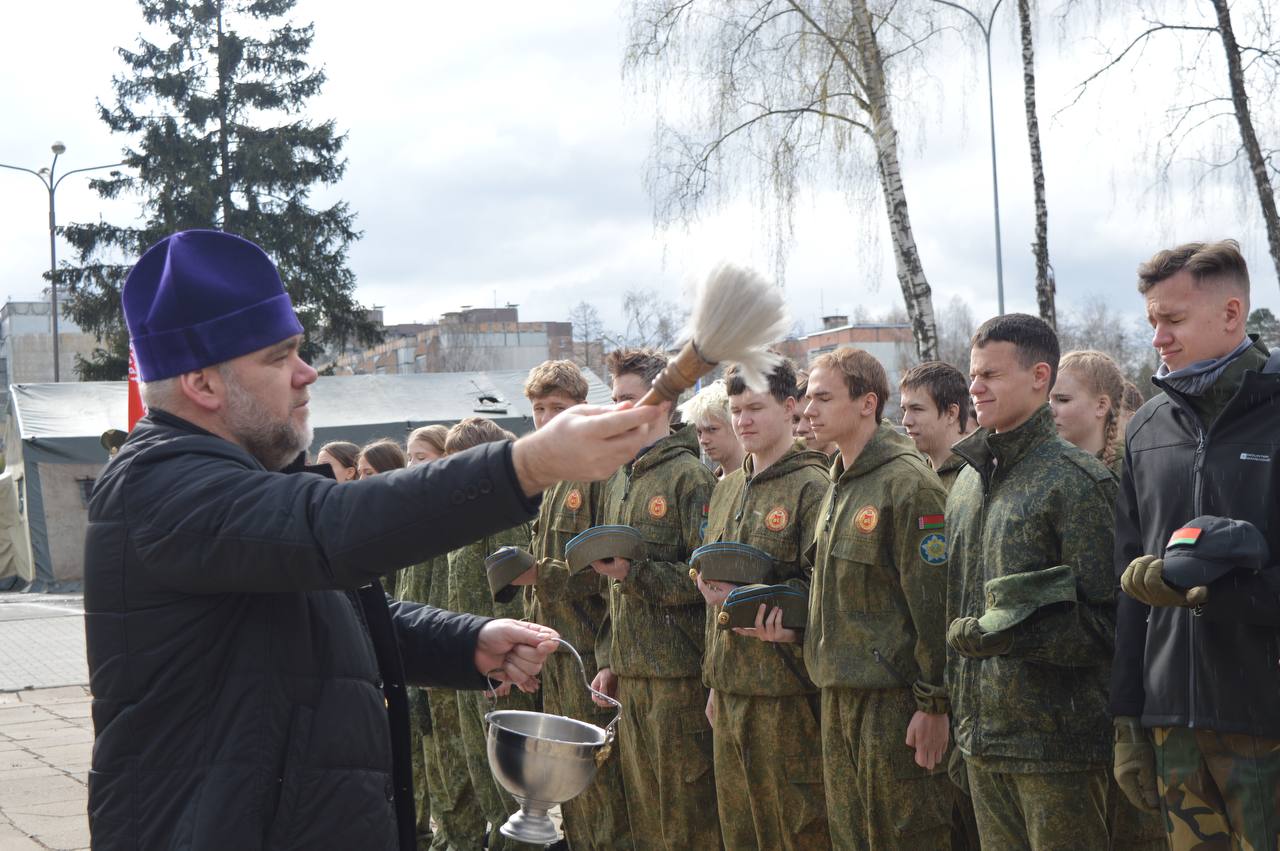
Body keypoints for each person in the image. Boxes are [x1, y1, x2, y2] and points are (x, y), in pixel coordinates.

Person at [84, 229, 666, 850]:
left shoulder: (225, 480)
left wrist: (463, 642)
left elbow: (322, 613)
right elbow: (333, 527)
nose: (307, 374)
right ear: (203, 384)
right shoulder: (159, 484)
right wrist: (525, 465)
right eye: (279, 358)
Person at [1111, 240, 1280, 851]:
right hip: (1172, 729)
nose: (1158, 338)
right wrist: (1129, 718)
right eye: (1153, 320)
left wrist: (1222, 588)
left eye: (1173, 320)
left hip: (1266, 722)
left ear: (1232, 314)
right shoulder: (1147, 427)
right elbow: (1128, 584)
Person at [767, 347, 952, 848]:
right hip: (839, 694)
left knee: (905, 836)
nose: (808, 411)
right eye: (808, 398)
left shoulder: (907, 483)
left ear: (867, 403)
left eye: (824, 398)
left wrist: (935, 704)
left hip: (893, 705)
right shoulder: (841, 481)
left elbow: (934, 607)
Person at [945, 313, 1117, 850]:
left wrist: (1018, 633)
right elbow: (954, 607)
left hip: (1058, 751)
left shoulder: (1077, 482)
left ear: (1040, 377)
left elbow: (1116, 625)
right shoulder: (966, 484)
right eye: (973, 375)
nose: (975, 387)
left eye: (991, 375)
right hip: (981, 742)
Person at [588, 347, 722, 850]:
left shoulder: (690, 478)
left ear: (664, 404)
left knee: (689, 820)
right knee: (645, 818)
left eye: (629, 398)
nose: (619, 408)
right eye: (615, 398)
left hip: (679, 680)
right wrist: (610, 658)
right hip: (634, 677)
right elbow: (612, 589)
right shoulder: (621, 476)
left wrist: (635, 572)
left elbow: (705, 580)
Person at [696, 359, 831, 850]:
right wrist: (716, 678)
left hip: (789, 694)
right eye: (736, 410)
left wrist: (787, 623)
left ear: (791, 407)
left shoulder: (813, 487)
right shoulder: (728, 485)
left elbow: (827, 592)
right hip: (732, 691)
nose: (743, 421)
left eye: (755, 408)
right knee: (741, 833)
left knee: (798, 830)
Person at [521, 360, 632, 850]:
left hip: (590, 653)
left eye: (558, 408)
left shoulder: (597, 473)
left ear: (581, 410)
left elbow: (606, 571)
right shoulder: (552, 480)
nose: (546, 419)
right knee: (568, 790)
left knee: (601, 786)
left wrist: (539, 574)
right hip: (558, 655)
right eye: (539, 409)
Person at [443, 417, 542, 851]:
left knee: (510, 794)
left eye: (458, 460)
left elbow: (517, 595)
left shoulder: (501, 518)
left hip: (501, 673)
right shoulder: (467, 517)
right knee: (485, 785)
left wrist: (506, 666)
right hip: (472, 665)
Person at [394, 427, 454, 850]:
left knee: (454, 778)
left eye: (422, 457)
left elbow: (442, 600)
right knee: (429, 769)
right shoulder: (413, 520)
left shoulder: (445, 522)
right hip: (416, 663)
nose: (413, 465)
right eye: (409, 458)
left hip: (446, 665)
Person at [1050, 350, 1127, 475]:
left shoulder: (1132, 471)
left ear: (1101, 406)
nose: (1050, 410)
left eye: (1062, 400)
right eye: (1047, 400)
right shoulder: (1039, 466)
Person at [899, 360, 971, 491]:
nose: (906, 421)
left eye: (917, 409)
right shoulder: (914, 479)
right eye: (904, 410)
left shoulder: (976, 479)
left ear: (951, 413)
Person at [679, 378, 745, 477]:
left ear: (734, 424)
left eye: (712, 429)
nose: (703, 440)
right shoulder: (712, 485)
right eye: (699, 432)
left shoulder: (758, 479)